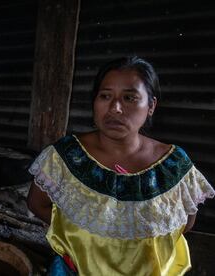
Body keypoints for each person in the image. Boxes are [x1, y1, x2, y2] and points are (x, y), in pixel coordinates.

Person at [27, 56, 215, 276]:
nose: (115, 108)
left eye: (129, 97)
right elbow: (37, 204)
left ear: (151, 106)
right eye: (105, 96)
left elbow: (186, 221)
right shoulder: (66, 157)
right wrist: (83, 234)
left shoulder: (173, 165)